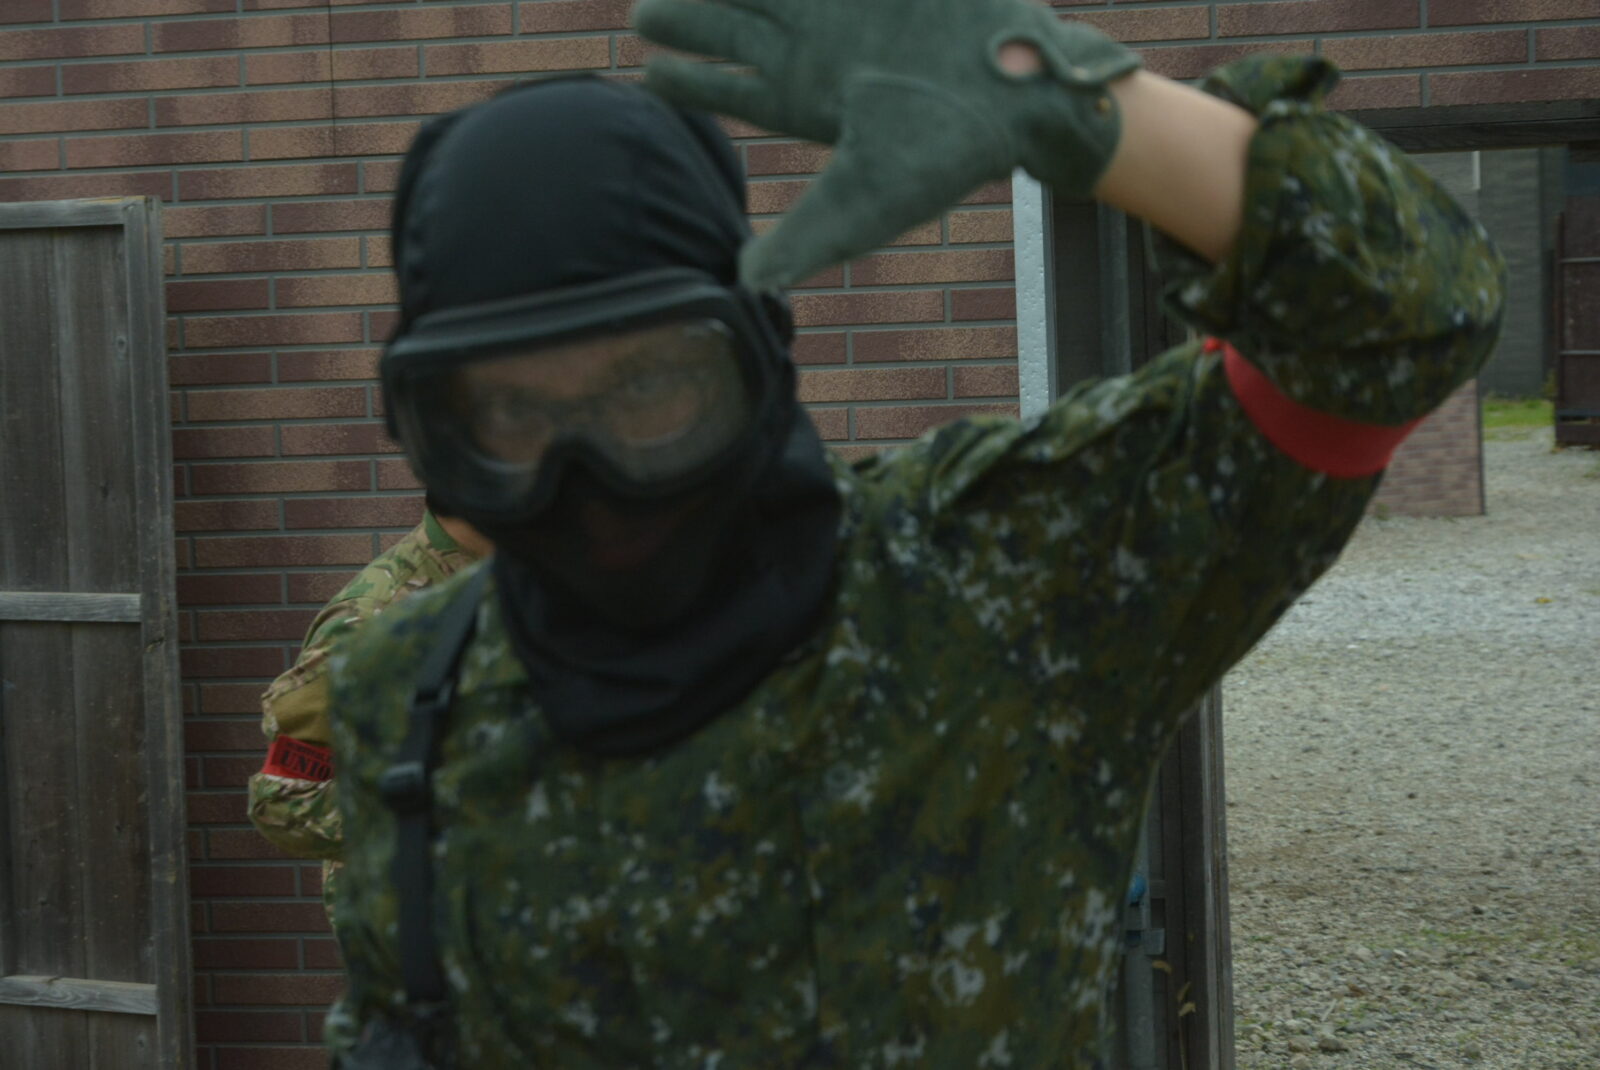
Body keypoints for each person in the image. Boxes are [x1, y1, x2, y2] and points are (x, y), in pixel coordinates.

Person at [321, 0, 1506, 1065]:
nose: (588, 478)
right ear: (436, 434)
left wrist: (1066, 98)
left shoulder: (1000, 572)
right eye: (513, 415)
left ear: (758, 359)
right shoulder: (406, 697)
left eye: (652, 388)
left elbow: (1400, 316)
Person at [247, 503, 491, 922]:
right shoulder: (372, 615)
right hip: (414, 923)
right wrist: (461, 813)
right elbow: (286, 800)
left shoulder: (518, 582)